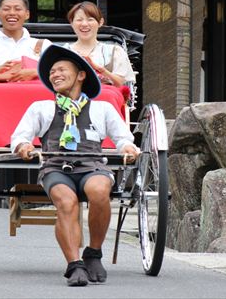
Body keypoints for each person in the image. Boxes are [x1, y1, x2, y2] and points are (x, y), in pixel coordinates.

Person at [11, 44, 140, 286]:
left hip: (92, 166)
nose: (54, 75)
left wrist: (128, 148)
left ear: (81, 74)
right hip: (55, 168)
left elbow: (123, 138)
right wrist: (24, 147)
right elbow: (20, 137)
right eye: (51, 72)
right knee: (67, 202)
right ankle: (74, 264)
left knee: (100, 191)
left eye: (61, 70)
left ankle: (93, 253)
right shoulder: (42, 107)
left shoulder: (103, 108)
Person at [64, 1, 136, 87]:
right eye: (79, 20)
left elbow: (120, 84)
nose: (84, 24)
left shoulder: (114, 51)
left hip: (105, 98)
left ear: (100, 22)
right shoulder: (63, 51)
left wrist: (101, 70)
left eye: (90, 19)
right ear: (71, 23)